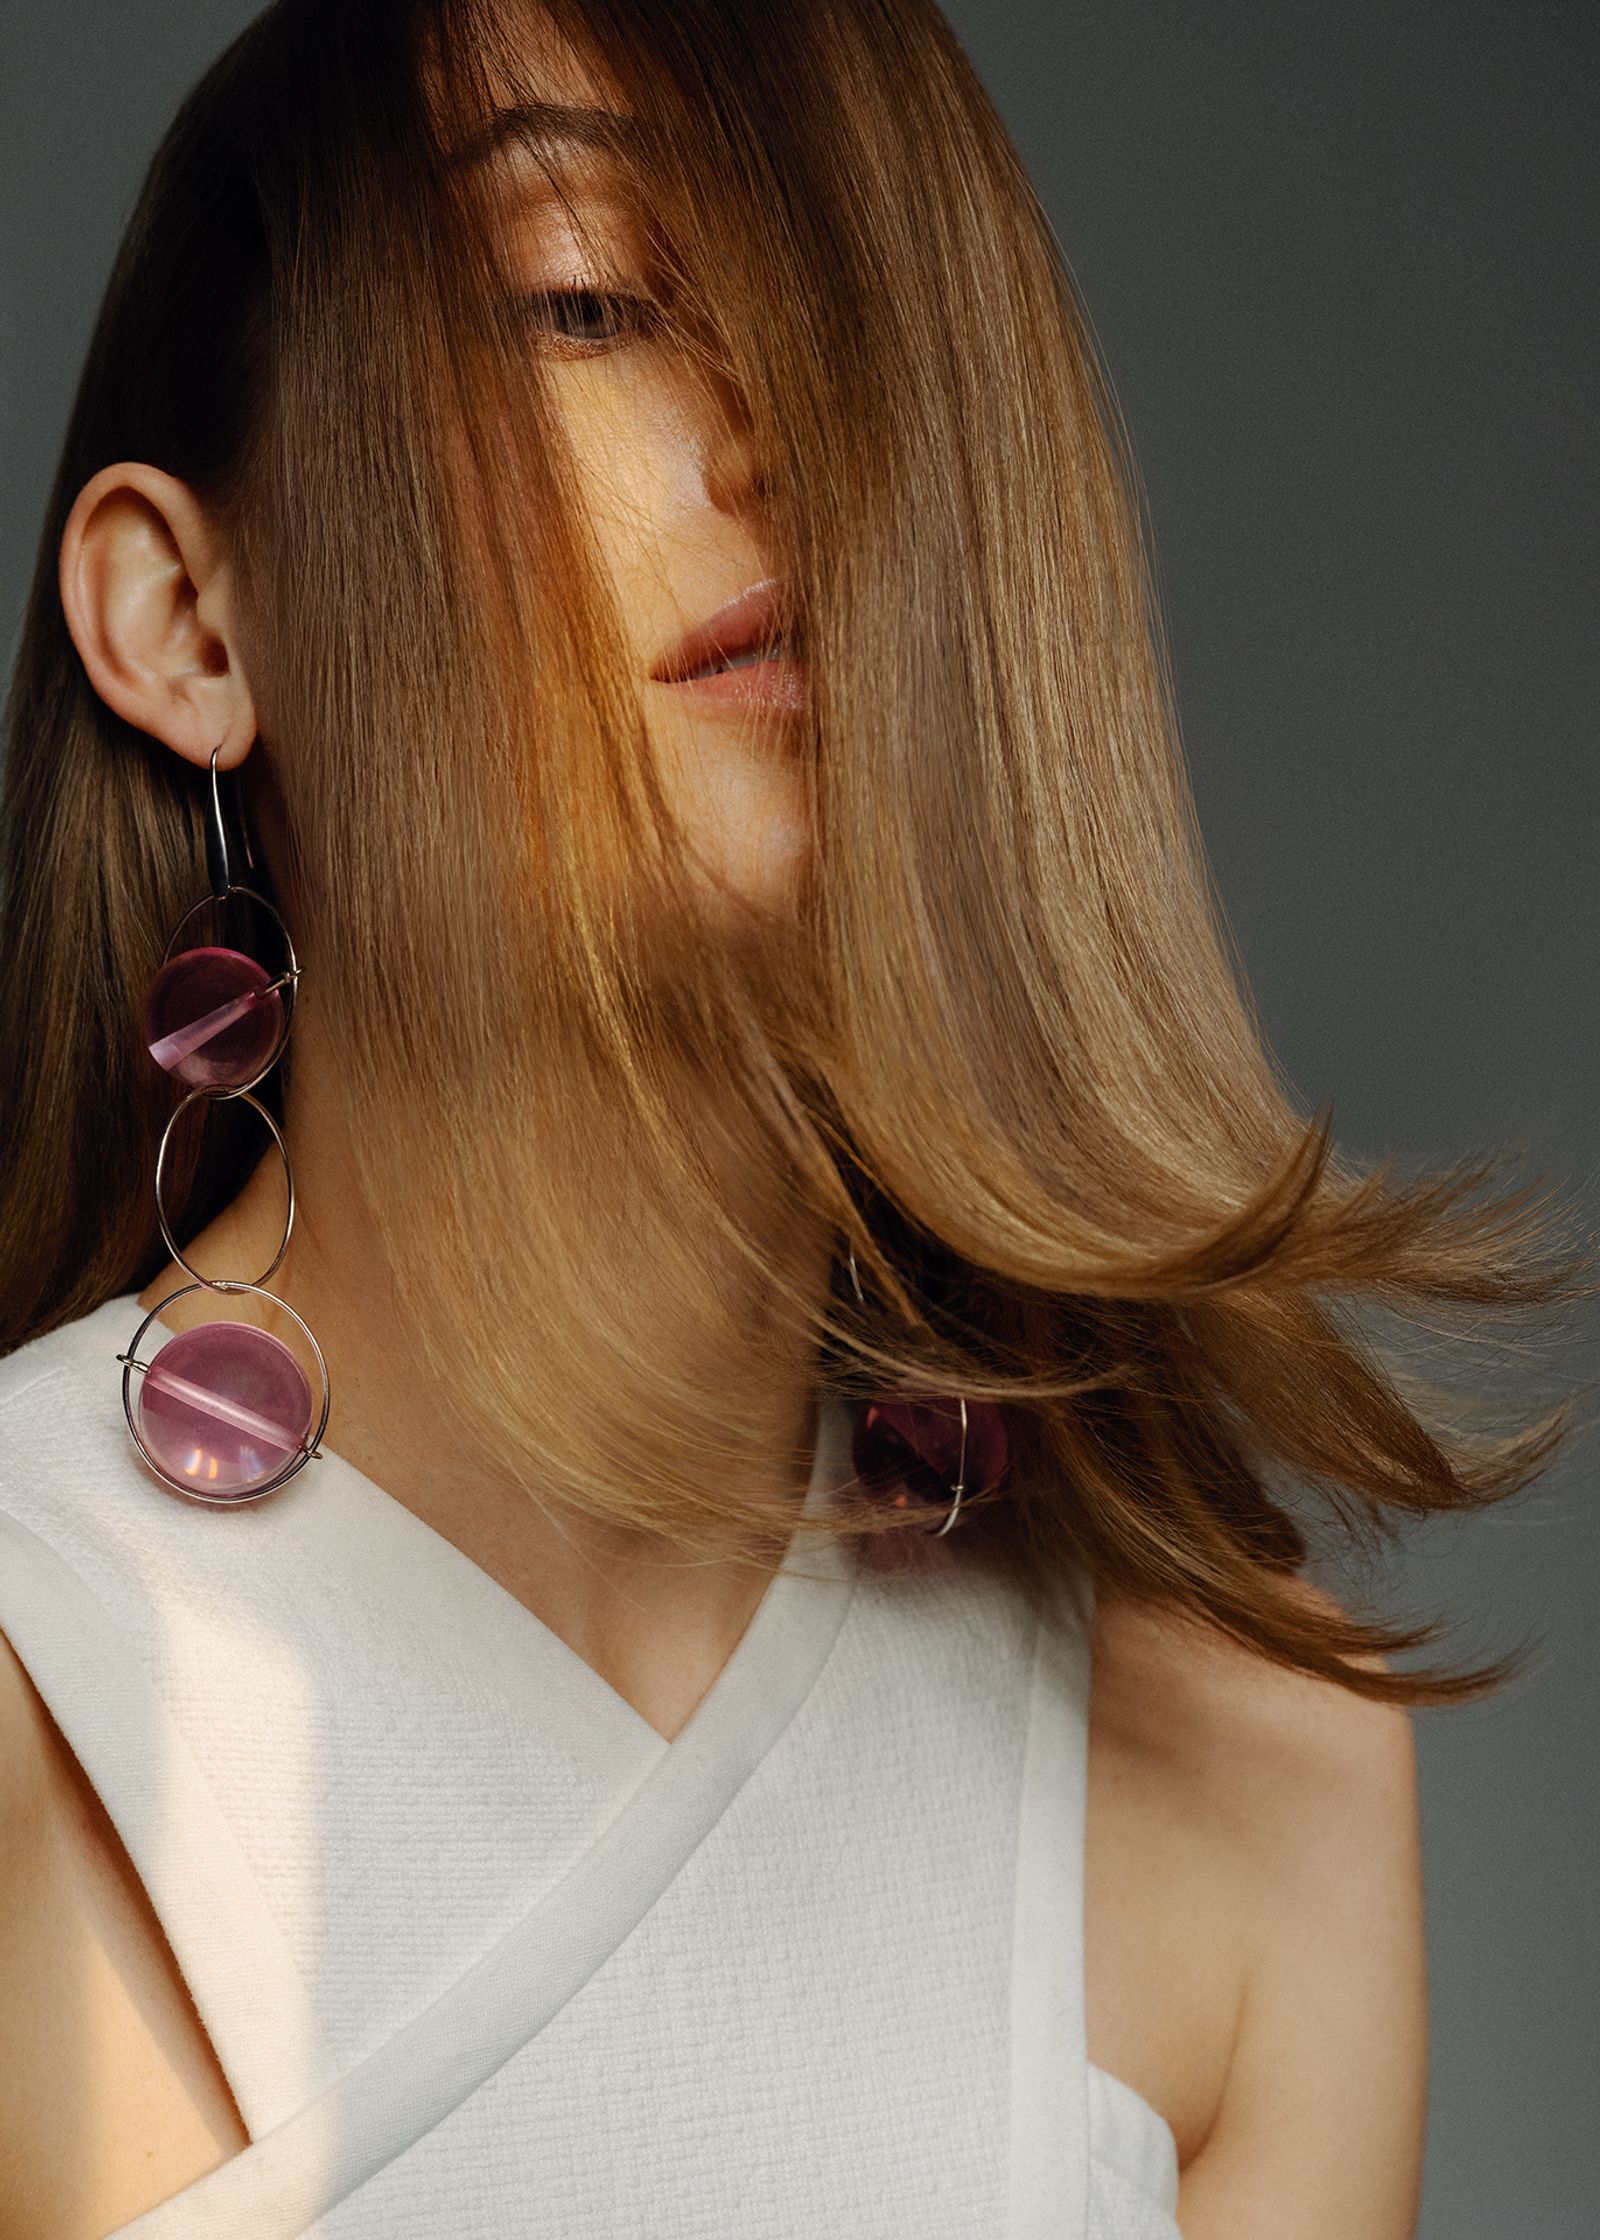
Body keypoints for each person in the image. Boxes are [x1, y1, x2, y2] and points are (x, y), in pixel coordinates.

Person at [0, 1, 1581, 2235]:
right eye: (588, 297)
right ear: (183, 618)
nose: (793, 428)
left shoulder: (1245, 1773)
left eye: (870, 323)